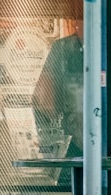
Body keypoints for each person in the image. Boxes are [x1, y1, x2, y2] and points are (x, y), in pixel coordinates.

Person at [33, 20, 84, 157]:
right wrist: (49, 148)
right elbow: (41, 99)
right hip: (69, 144)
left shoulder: (103, 48)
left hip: (88, 144)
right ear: (75, 23)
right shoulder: (63, 49)